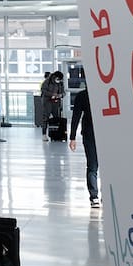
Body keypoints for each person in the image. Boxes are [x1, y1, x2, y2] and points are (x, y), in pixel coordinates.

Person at [68, 71, 100, 208]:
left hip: (96, 134)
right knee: (93, 166)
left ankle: (96, 196)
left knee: (94, 166)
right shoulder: (83, 96)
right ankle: (94, 196)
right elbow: (76, 116)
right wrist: (72, 137)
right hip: (90, 134)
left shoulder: (101, 95)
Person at [42, 70, 65, 141]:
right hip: (47, 102)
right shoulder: (47, 82)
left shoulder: (60, 83)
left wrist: (61, 95)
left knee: (56, 118)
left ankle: (56, 135)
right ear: (55, 77)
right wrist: (52, 94)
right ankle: (44, 134)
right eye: (58, 79)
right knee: (46, 117)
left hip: (56, 102)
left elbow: (63, 92)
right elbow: (43, 91)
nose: (59, 80)